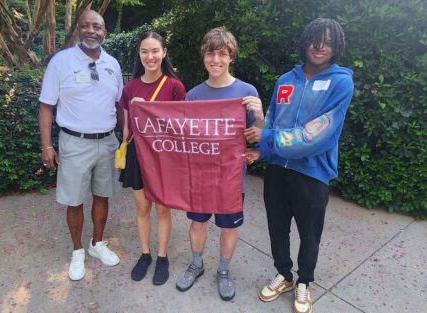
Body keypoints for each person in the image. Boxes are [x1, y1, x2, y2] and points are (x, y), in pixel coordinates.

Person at [243, 18, 354, 313]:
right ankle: (284, 274)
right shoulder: (285, 80)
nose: (320, 47)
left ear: (336, 47)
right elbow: (274, 120)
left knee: (309, 233)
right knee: (277, 228)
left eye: (328, 43)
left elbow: (317, 134)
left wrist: (267, 136)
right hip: (278, 170)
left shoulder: (341, 81)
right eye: (315, 40)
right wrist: (261, 151)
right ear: (305, 41)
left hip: (312, 173)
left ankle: (305, 281)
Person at [175, 27, 264, 301]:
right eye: (211, 53)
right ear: (203, 56)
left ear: (231, 57)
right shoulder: (193, 96)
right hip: (199, 177)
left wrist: (260, 118)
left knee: (229, 227)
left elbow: (257, 137)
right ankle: (196, 264)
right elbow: (180, 137)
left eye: (222, 54)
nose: (216, 60)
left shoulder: (246, 92)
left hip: (230, 177)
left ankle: (223, 272)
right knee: (197, 224)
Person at [38, 10, 123, 281]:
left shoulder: (113, 63)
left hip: (108, 141)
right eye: (85, 26)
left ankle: (97, 244)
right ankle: (77, 251)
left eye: (96, 27)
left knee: (103, 195)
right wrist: (47, 146)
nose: (91, 31)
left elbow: (120, 106)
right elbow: (46, 106)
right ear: (78, 30)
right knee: (74, 200)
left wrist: (127, 139)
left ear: (104, 32)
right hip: (74, 142)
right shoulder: (61, 62)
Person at [119, 31, 186, 285]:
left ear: (164, 53)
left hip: (165, 156)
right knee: (142, 208)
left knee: (163, 208)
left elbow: (182, 125)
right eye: (145, 51)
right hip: (138, 153)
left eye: (155, 51)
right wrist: (123, 150)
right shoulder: (129, 88)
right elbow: (126, 129)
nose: (150, 56)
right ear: (139, 54)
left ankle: (162, 257)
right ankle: (145, 254)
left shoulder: (175, 86)